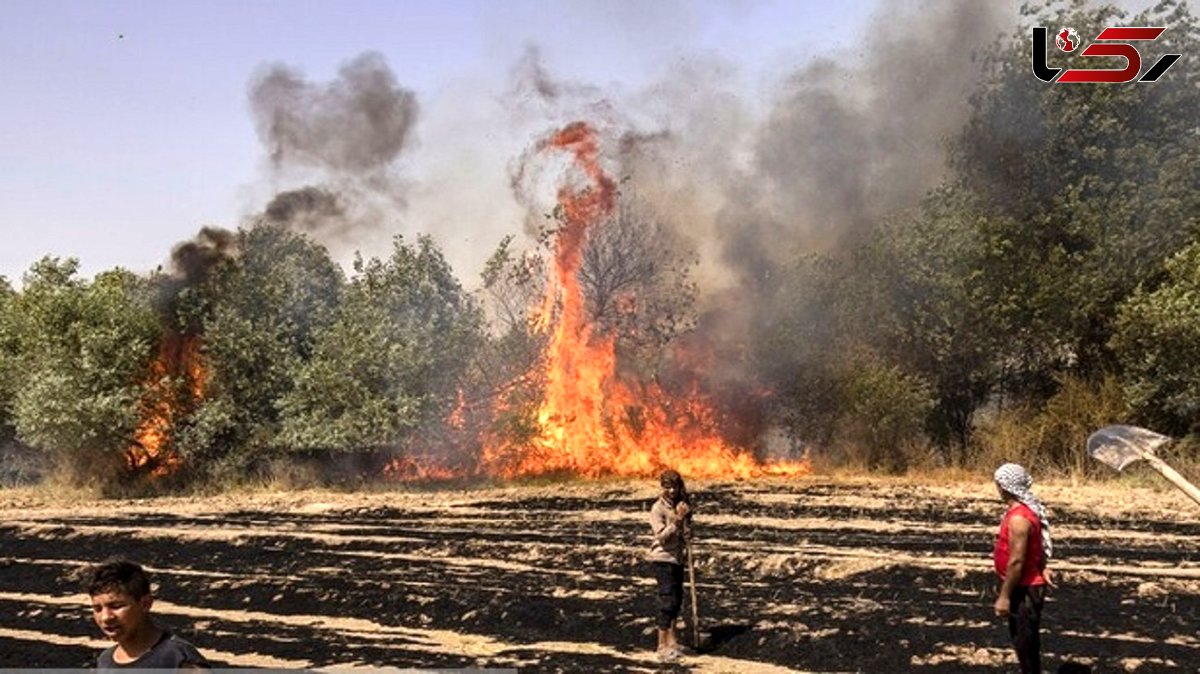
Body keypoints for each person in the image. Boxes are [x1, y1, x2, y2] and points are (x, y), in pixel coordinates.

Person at [83, 558, 210, 670]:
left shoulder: (177, 659)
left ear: (145, 604)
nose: (106, 617)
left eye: (116, 606)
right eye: (97, 609)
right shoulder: (104, 661)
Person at [993, 463, 1056, 674]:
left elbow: (1017, 561)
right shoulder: (1022, 512)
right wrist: (1043, 566)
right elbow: (1037, 545)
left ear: (1004, 486)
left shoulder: (1019, 518)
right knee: (1025, 643)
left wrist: (1004, 596)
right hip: (1025, 584)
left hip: (1025, 589)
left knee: (1025, 645)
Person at [647, 468, 692, 663]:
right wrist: (677, 520)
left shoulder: (680, 505)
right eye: (668, 487)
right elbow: (662, 537)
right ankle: (661, 646)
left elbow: (684, 532)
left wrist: (687, 528)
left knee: (677, 600)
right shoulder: (658, 508)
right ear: (662, 487)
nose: (672, 491)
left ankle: (673, 642)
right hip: (663, 559)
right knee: (667, 602)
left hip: (677, 559)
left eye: (674, 486)